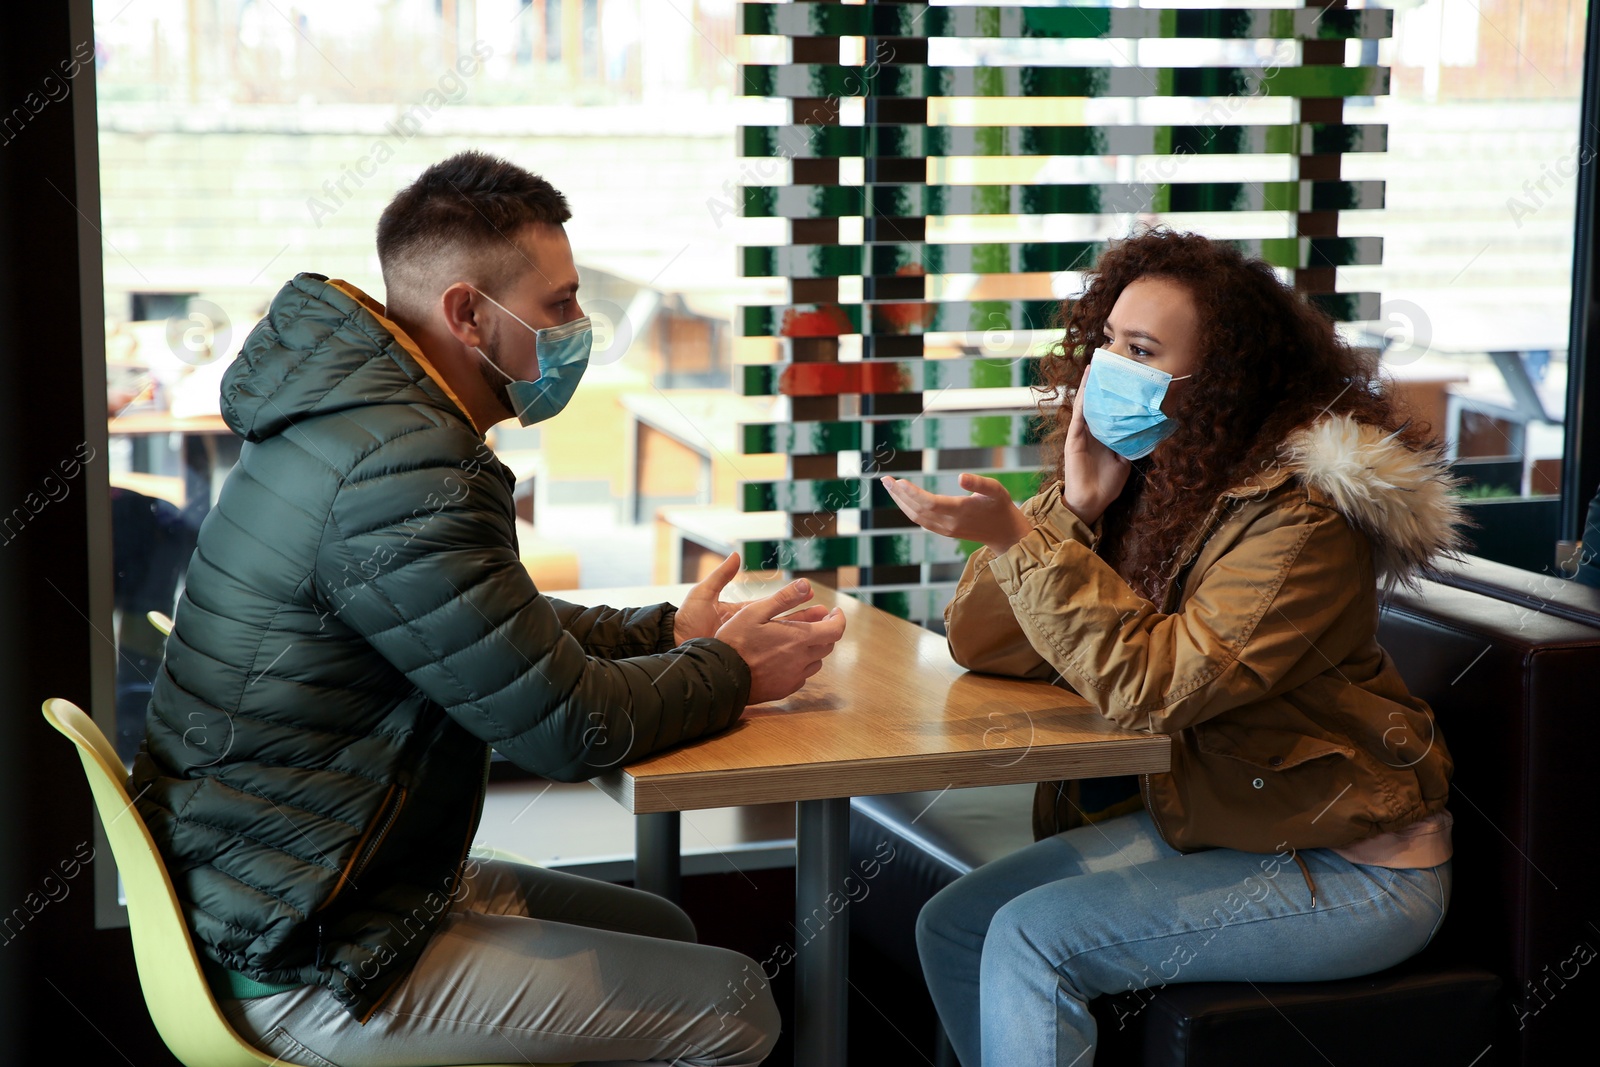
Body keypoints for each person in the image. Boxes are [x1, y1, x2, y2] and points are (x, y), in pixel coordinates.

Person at [130, 150, 847, 1067]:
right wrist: (736, 669)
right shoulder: (406, 469)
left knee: (663, 921)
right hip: (311, 953)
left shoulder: (350, 423)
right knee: (735, 1003)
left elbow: (490, 628)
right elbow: (565, 726)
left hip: (281, 890)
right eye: (560, 306)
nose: (580, 329)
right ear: (469, 314)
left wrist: (668, 633)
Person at [882, 229, 1460, 1066]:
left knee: (1027, 940)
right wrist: (1071, 511)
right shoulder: (1156, 479)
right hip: (1228, 822)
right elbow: (982, 642)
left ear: (1219, 379)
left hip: (1354, 867)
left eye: (1143, 350)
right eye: (1108, 341)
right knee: (957, 922)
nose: (1107, 368)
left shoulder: (1302, 519)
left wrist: (1022, 540)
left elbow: (1162, 686)